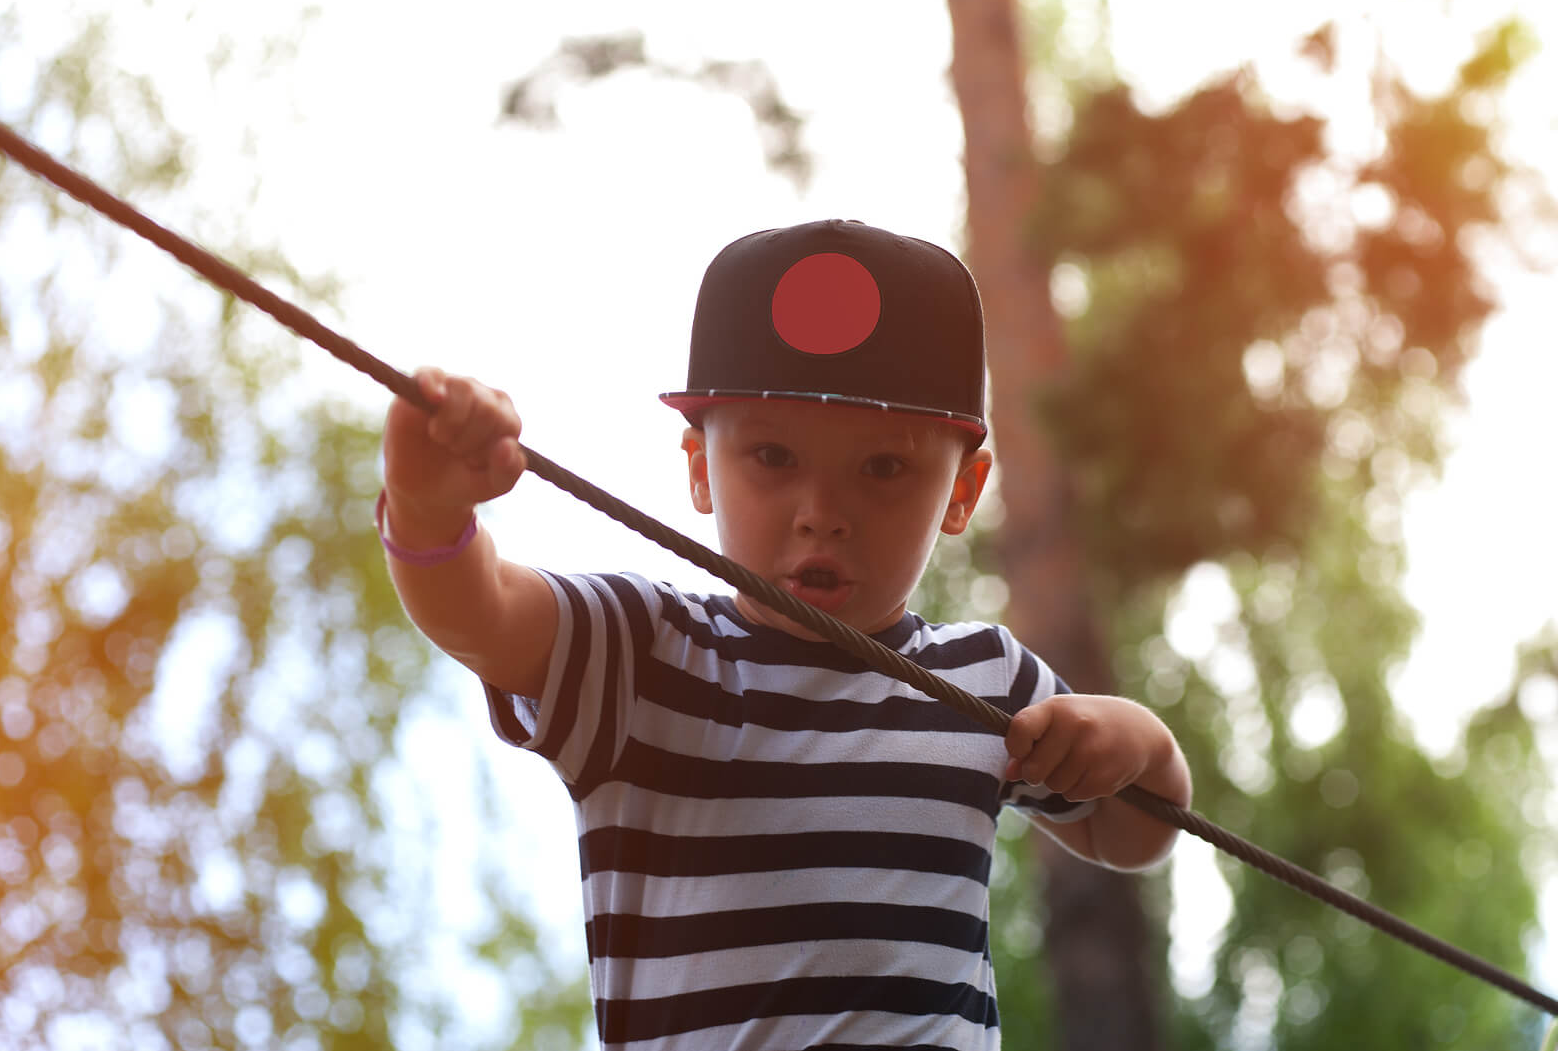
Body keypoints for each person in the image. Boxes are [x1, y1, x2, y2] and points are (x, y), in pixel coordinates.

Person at [377, 219, 1192, 1050]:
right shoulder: (643, 655)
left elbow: (1125, 831)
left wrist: (1145, 745)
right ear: (699, 465)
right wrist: (427, 502)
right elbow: (476, 612)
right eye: (772, 456)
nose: (821, 514)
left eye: (882, 467)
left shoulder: (984, 680)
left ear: (962, 490)